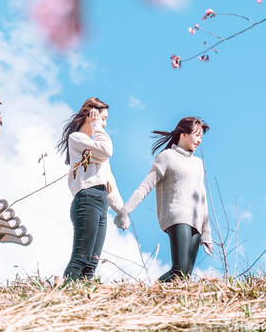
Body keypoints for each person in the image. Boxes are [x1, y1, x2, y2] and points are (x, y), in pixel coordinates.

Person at [117, 116, 211, 282]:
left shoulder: (198, 163)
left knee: (185, 276)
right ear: (183, 134)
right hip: (177, 216)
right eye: (197, 135)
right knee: (179, 269)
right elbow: (145, 186)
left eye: (202, 137)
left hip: (197, 221)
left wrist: (207, 233)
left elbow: (202, 197)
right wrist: (125, 211)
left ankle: (164, 302)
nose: (199, 141)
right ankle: (146, 295)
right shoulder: (166, 157)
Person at [58, 97, 125, 284]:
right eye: (103, 118)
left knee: (91, 266)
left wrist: (122, 211)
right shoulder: (77, 139)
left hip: (101, 201)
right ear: (91, 115)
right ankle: (62, 296)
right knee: (80, 258)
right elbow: (106, 150)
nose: (105, 123)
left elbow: (109, 181)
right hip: (87, 198)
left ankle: (82, 302)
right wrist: (97, 126)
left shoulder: (92, 144)